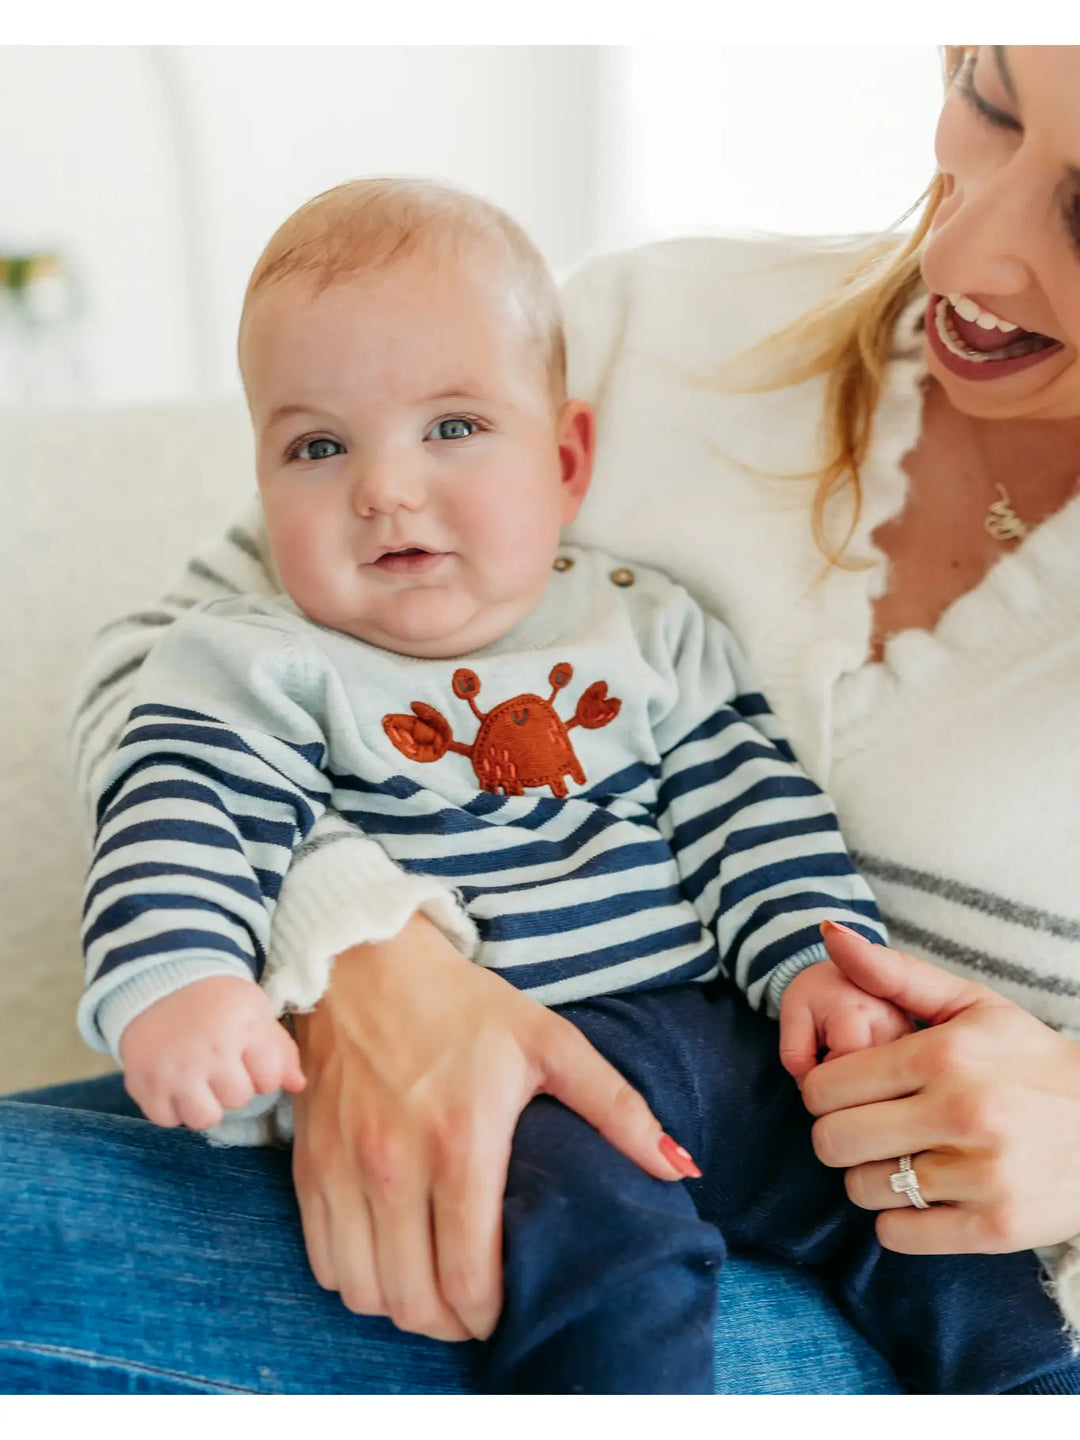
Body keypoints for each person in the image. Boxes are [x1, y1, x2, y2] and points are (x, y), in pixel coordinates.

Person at [4, 43, 1080, 1394]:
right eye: (988, 102)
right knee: (598, 1259)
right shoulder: (267, 651)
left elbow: (747, 810)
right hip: (523, 1104)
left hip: (752, 1065)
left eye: (454, 431)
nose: (387, 490)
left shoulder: (640, 624)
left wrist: (823, 967)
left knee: (950, 1267)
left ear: (566, 461)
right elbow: (175, 790)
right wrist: (237, 973)